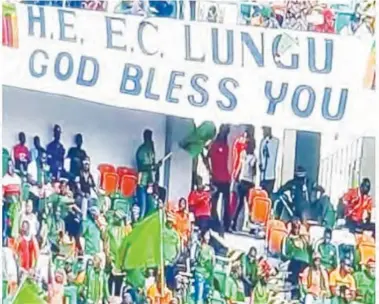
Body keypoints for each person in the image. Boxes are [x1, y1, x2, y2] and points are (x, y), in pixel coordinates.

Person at [205, 124, 231, 233]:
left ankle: (222, 224)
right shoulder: (218, 145)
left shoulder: (223, 146)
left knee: (220, 203)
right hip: (219, 178)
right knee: (215, 203)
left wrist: (209, 170)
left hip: (222, 178)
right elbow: (207, 157)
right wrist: (210, 170)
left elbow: (207, 157)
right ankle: (219, 224)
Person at [282, 217, 311, 299]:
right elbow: (285, 253)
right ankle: (293, 295)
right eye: (295, 227)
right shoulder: (288, 239)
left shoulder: (304, 239)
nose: (297, 229)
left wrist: (303, 233)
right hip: (293, 262)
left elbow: (310, 248)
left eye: (298, 227)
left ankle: (301, 295)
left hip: (304, 264)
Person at [232, 139, 257, 231]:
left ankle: (235, 223)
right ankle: (241, 224)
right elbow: (254, 172)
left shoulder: (244, 154)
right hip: (247, 181)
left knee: (241, 204)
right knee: (247, 205)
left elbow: (240, 166)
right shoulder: (252, 157)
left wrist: (236, 176)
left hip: (244, 180)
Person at [136, 129, 161, 219]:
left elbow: (153, 166)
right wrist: (151, 167)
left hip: (150, 183)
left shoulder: (151, 150)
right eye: (148, 137)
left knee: (151, 207)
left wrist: (157, 166)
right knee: (143, 207)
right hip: (142, 182)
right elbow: (141, 166)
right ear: (145, 138)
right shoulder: (141, 150)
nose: (150, 140)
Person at [192, 229, 215, 304]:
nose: (208, 237)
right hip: (201, 273)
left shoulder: (210, 249)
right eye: (207, 235)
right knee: (199, 296)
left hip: (207, 274)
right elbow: (194, 258)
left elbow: (213, 263)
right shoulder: (199, 246)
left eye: (209, 236)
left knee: (205, 297)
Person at [259, 126, 279, 197]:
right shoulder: (263, 142)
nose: (263, 133)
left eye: (265, 130)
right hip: (263, 176)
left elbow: (272, 153)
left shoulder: (275, 141)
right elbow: (261, 156)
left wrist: (269, 139)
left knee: (268, 196)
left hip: (270, 175)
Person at [163, 212, 181, 290]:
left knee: (170, 281)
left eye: (171, 221)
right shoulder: (162, 230)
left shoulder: (175, 234)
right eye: (168, 221)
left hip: (171, 263)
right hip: (162, 261)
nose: (169, 223)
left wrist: (174, 261)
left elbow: (179, 250)